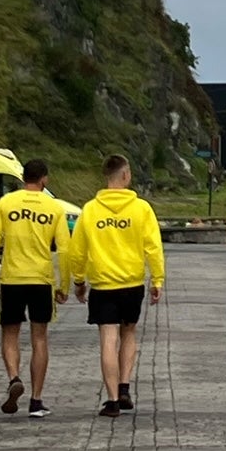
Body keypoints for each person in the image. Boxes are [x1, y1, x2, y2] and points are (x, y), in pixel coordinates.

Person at [68, 155, 164, 418]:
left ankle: (111, 400)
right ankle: (124, 386)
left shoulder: (90, 209)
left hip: (102, 283)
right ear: (126, 175)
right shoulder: (141, 208)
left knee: (108, 340)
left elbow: (77, 250)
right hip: (132, 282)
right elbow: (153, 247)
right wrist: (157, 279)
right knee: (129, 334)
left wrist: (78, 281)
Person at [0, 157, 69, 419]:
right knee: (39, 338)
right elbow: (64, 248)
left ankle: (13, 377)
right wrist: (64, 284)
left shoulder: (6, 203)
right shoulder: (54, 207)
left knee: (10, 333)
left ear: (22, 178)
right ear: (45, 179)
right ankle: (36, 399)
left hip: (12, 278)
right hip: (40, 279)